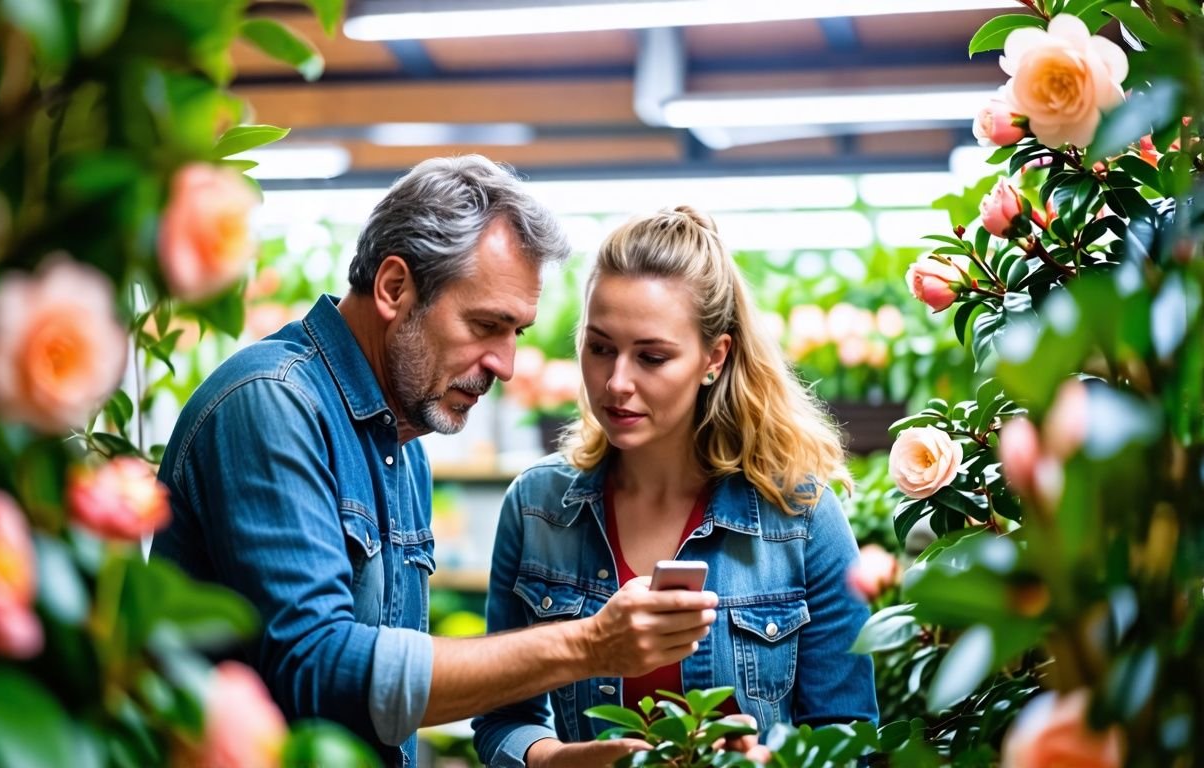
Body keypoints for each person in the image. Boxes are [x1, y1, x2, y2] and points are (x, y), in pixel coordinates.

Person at [150, 157, 719, 767]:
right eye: (485, 325)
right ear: (395, 288)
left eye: (516, 334)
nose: (503, 363)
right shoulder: (271, 403)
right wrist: (588, 644)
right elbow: (314, 666)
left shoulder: (402, 445)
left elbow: (388, 704)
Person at [474, 206, 879, 766]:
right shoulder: (538, 508)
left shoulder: (800, 516)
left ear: (714, 357)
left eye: (652, 357)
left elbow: (850, 734)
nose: (617, 382)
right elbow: (502, 718)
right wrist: (553, 759)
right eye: (599, 347)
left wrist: (769, 759)